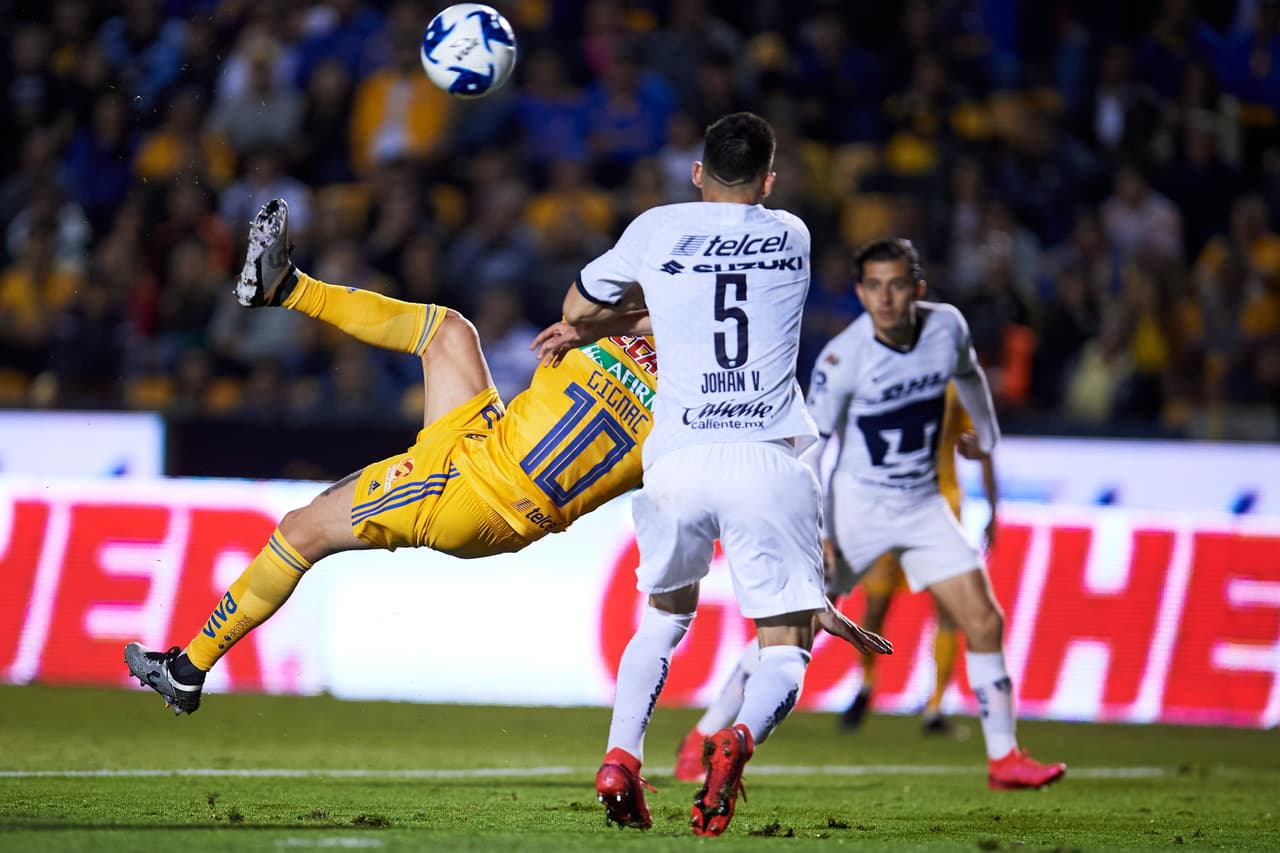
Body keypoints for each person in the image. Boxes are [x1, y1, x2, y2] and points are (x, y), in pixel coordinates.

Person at [125, 198, 880, 723]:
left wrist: (795, 586)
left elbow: (735, 492)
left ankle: (187, 668)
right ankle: (284, 286)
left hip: (480, 494)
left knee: (303, 527)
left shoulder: (695, 406)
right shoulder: (667, 360)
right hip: (484, 436)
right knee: (449, 332)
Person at [558, 112, 893, 837]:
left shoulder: (657, 226)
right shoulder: (794, 234)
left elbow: (579, 306)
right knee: (786, 643)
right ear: (770, 181)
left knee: (663, 616)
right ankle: (735, 738)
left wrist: (600, 323)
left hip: (678, 456)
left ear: (696, 171)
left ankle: (620, 755)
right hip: (767, 458)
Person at [803, 238, 1063, 791]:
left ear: (917, 288)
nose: (887, 297)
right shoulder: (843, 357)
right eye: (875, 286)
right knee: (802, 622)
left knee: (979, 619)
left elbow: (973, 385)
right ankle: (718, 732)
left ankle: (997, 751)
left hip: (930, 503)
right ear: (859, 293)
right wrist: (817, 528)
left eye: (898, 284)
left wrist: (988, 450)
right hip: (858, 510)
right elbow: (811, 449)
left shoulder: (945, 335)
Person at [671, 381, 995, 784]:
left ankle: (933, 707)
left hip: (917, 514)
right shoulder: (858, 365)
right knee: (792, 624)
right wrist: (820, 525)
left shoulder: (943, 379)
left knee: (799, 625)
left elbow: (979, 440)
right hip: (845, 517)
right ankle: (701, 741)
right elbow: (816, 442)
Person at [835, 381, 998, 735]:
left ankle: (936, 706)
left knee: (948, 608)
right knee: (876, 606)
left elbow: (981, 444)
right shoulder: (879, 375)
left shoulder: (955, 384)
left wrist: (993, 509)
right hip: (885, 509)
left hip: (940, 507)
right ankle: (864, 685)